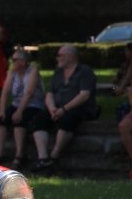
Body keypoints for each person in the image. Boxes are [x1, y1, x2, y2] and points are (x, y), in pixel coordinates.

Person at [31, 44, 97, 173]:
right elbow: (50, 94)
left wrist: (64, 109)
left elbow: (84, 95)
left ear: (70, 57)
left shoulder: (85, 71)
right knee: (38, 120)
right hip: (57, 108)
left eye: (60, 55)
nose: (57, 58)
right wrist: (52, 108)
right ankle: (43, 158)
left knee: (67, 120)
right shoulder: (58, 72)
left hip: (79, 108)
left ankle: (54, 156)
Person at [0, 48, 46, 166]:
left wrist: (19, 111)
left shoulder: (33, 71)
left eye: (15, 60)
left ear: (23, 61)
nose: (12, 62)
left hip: (33, 104)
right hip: (17, 103)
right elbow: (5, 92)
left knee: (19, 119)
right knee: (1, 120)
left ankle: (19, 154)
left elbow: (29, 93)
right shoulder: (12, 72)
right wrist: (1, 111)